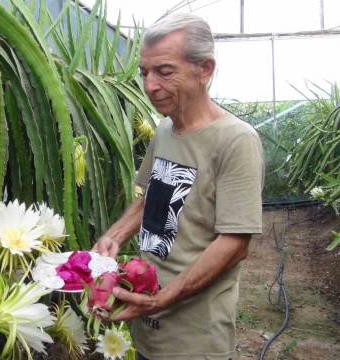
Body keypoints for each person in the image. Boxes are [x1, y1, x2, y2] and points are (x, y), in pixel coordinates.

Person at [92, 13, 264, 360]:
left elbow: (235, 243)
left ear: (205, 69)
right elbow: (148, 199)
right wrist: (113, 237)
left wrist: (162, 298)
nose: (150, 85)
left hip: (193, 338)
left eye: (164, 71)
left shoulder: (236, 140)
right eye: (144, 73)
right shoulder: (164, 130)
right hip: (148, 323)